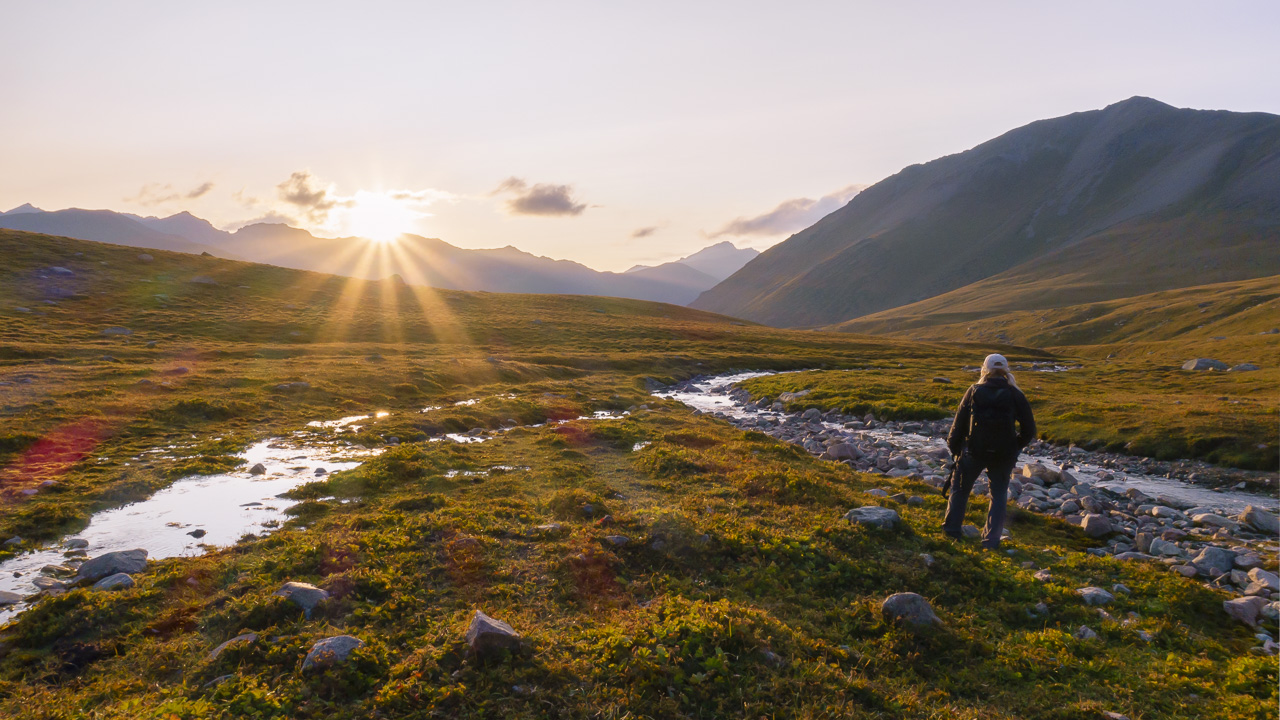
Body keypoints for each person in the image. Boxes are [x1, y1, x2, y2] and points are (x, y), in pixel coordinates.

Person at [943, 353, 1036, 550]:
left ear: (984, 369)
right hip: (1003, 454)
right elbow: (1029, 430)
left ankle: (951, 532)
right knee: (999, 494)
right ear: (1006, 370)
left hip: (973, 451)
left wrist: (956, 450)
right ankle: (990, 541)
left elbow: (958, 424)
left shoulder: (974, 390)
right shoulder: (1015, 394)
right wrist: (1015, 447)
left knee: (960, 490)